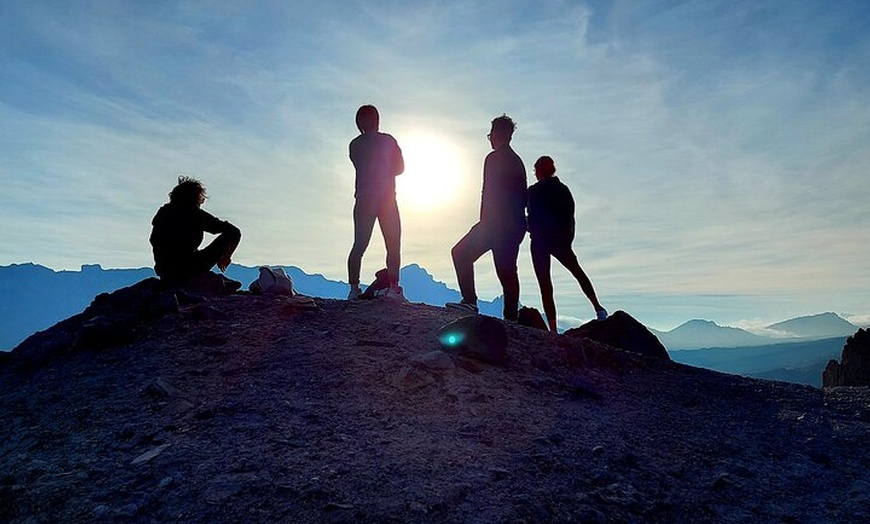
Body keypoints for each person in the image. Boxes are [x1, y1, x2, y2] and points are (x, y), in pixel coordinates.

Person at [447, 114, 527, 321]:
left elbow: (488, 192)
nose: (489, 138)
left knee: (461, 253)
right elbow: (522, 196)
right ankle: (511, 318)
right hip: (513, 225)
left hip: (495, 225)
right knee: (507, 271)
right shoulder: (517, 161)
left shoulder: (493, 158)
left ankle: (470, 303)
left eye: (490, 133)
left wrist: (485, 223)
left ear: (497, 134)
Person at [527, 156, 606, 332]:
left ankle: (553, 329)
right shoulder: (563, 190)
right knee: (577, 272)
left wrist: (528, 226)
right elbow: (570, 216)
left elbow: (531, 218)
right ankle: (598, 308)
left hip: (539, 242)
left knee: (545, 285)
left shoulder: (532, 191)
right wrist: (568, 240)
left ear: (537, 171)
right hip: (560, 241)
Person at [346, 105, 405, 300]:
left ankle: (354, 289)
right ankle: (393, 288)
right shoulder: (388, 140)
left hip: (363, 198)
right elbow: (400, 168)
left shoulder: (354, 145)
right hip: (387, 199)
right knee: (393, 244)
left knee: (359, 245)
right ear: (377, 120)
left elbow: (359, 164)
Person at [149, 176, 241, 289]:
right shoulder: (194, 214)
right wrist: (226, 256)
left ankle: (209, 279)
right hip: (188, 268)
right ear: (195, 197)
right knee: (230, 234)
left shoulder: (163, 213)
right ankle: (209, 281)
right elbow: (234, 231)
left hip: (165, 272)